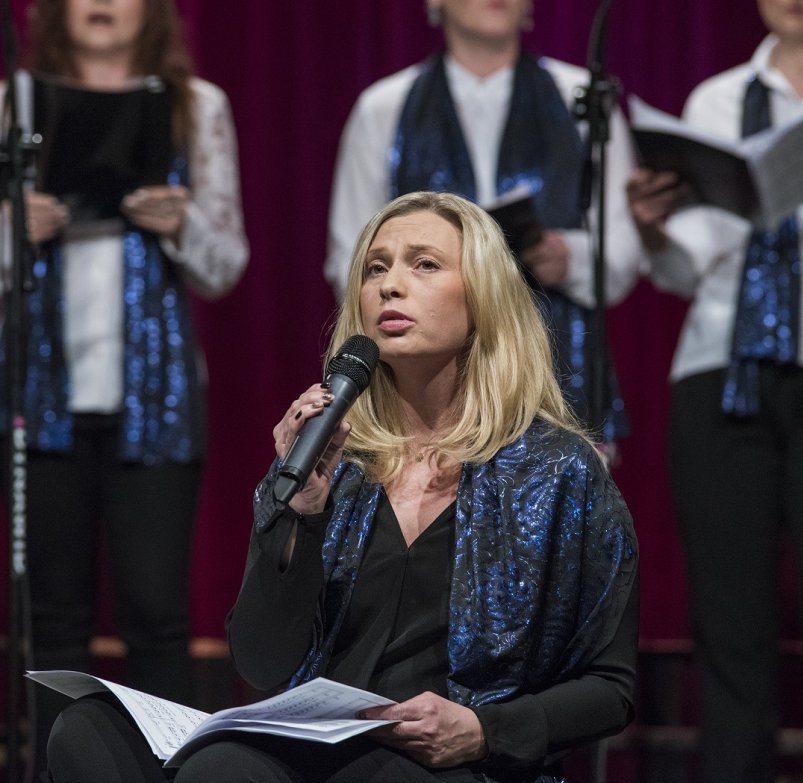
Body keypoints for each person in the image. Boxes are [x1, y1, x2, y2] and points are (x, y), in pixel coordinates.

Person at [45, 191, 639, 783]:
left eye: (424, 264)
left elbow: (610, 688)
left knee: (228, 771)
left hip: (456, 763)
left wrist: (483, 731)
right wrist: (299, 511)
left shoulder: (557, 470)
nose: (390, 285)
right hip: (317, 745)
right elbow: (261, 663)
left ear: (485, 296)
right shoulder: (331, 461)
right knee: (91, 731)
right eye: (376, 268)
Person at [0, 0, 248, 772]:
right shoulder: (14, 102)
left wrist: (180, 223)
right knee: (53, 615)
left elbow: (225, 263)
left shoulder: (195, 105)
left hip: (159, 402)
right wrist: (13, 229)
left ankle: (168, 771)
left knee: (157, 612)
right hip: (42, 401)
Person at [626, 1, 803, 781]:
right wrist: (653, 227)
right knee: (729, 624)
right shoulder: (718, 100)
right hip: (720, 375)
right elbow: (685, 267)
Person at [326, 0, 644, 446]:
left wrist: (568, 258)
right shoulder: (384, 107)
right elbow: (352, 255)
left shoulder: (582, 97)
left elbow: (625, 245)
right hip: (424, 391)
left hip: (559, 362)